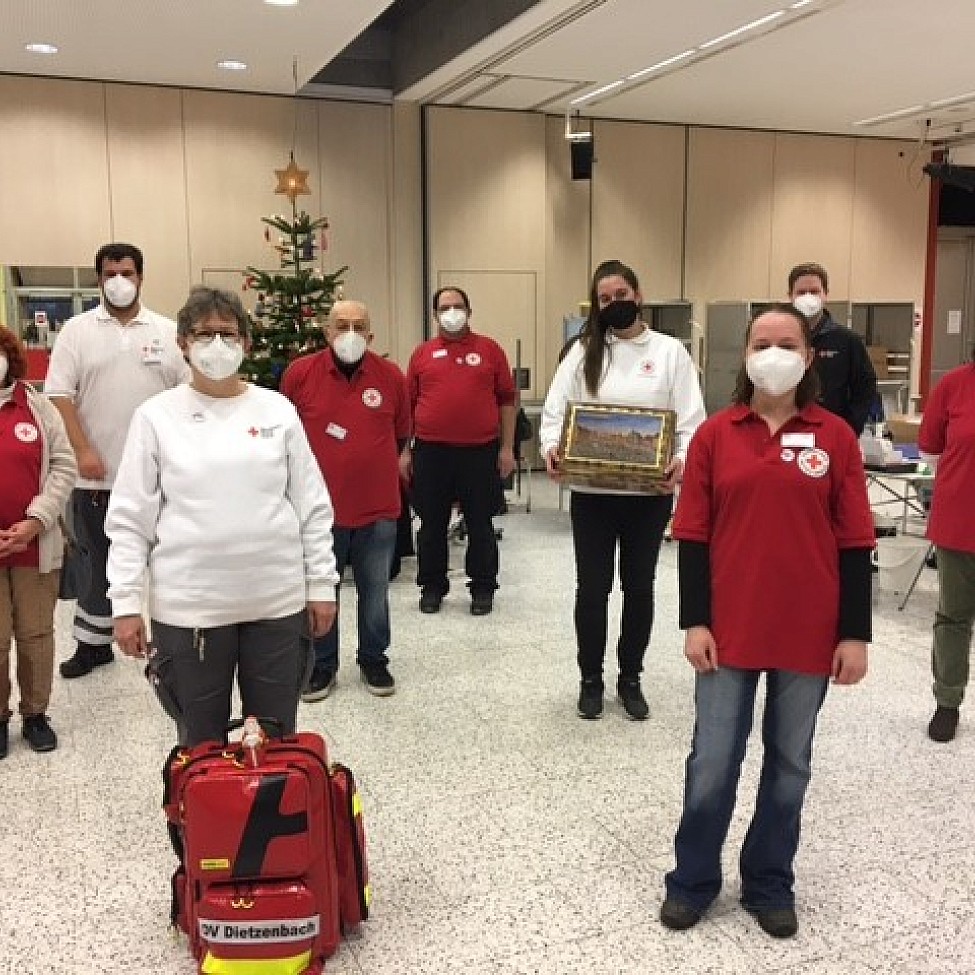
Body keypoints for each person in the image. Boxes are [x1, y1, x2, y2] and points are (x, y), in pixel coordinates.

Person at [660, 303, 874, 939]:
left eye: (788, 342)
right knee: (712, 760)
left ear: (808, 357)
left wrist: (854, 633)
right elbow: (692, 533)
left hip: (811, 633)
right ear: (746, 355)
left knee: (790, 762)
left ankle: (769, 880)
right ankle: (693, 880)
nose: (774, 352)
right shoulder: (717, 436)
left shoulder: (834, 436)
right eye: (762, 342)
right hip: (728, 629)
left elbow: (855, 537)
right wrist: (695, 622)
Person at [105, 287, 338, 747]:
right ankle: (203, 819)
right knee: (200, 742)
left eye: (227, 333)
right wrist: (126, 603)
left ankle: (270, 818)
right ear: (183, 343)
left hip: (276, 604)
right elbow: (131, 517)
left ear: (246, 343)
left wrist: (321, 585)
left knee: (274, 741)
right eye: (204, 333)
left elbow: (312, 507)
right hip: (191, 610)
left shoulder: (277, 411)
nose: (217, 344)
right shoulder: (156, 416)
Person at [539, 260, 706, 720]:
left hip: (649, 497)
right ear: (596, 305)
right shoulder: (582, 352)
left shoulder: (671, 352)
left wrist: (683, 460)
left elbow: (692, 420)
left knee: (639, 588)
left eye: (621, 294)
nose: (614, 303)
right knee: (591, 589)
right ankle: (589, 679)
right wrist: (553, 448)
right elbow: (556, 412)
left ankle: (630, 678)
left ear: (639, 293)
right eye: (605, 298)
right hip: (592, 494)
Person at [45, 242, 188, 679]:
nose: (118, 282)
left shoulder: (165, 331)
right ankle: (92, 645)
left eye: (126, 272)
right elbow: (59, 395)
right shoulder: (77, 330)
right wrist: (83, 450)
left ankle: (175, 638)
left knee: (169, 560)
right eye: (109, 274)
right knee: (97, 563)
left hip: (161, 477)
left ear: (141, 277)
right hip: (97, 475)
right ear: (99, 279)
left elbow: (187, 391)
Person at [281, 299, 409, 702]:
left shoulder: (391, 376)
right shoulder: (300, 375)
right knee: (322, 592)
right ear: (326, 332)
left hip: (378, 508)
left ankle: (374, 659)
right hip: (319, 513)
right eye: (341, 325)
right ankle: (321, 665)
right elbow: (285, 440)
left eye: (359, 326)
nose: (349, 333)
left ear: (371, 334)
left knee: (375, 592)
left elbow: (402, 434)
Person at [400, 286, 517, 616]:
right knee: (432, 524)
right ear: (435, 315)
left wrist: (506, 448)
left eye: (458, 306)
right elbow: (408, 405)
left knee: (480, 524)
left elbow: (507, 401)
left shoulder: (490, 350)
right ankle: (432, 587)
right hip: (431, 452)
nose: (452, 312)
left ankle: (482, 588)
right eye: (445, 307)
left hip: (480, 452)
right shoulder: (422, 354)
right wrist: (406, 452)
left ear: (469, 310)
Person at [0, 328, 77, 757]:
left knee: (35, 634)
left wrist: (36, 519)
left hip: (36, 546)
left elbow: (64, 467)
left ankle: (35, 714)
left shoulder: (38, 407)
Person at [918, 348, 975, 743]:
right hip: (961, 521)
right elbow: (930, 446)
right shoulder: (954, 385)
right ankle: (947, 702)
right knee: (954, 616)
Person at [788, 262, 877, 435]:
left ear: (825, 295)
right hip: (788, 429)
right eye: (801, 292)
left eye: (814, 291)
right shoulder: (779, 339)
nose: (808, 297)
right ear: (790, 296)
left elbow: (865, 387)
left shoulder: (847, 340)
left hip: (833, 432)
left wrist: (849, 428)